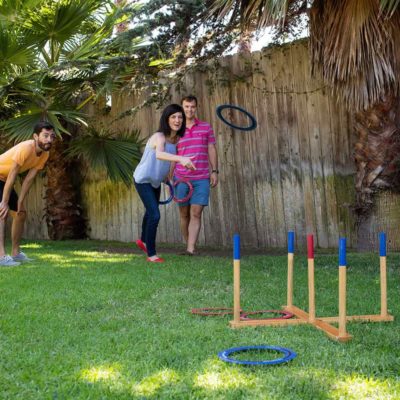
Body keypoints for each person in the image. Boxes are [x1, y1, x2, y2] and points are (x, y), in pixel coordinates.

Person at [133, 104, 195, 263]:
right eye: (173, 117)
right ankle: (151, 255)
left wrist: (169, 177)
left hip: (156, 180)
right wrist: (182, 159)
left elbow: (169, 161)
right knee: (154, 214)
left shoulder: (176, 140)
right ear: (166, 119)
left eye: (180, 117)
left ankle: (142, 240)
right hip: (143, 179)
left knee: (150, 211)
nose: (177, 120)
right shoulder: (159, 137)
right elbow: (160, 154)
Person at [0, 121, 56, 266]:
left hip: (3, 179)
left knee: (20, 213)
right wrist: (4, 202)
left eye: (52, 136)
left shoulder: (44, 154)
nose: (49, 139)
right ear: (35, 136)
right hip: (3, 177)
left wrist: (20, 202)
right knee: (2, 212)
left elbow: (28, 180)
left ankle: (16, 253)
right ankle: (1, 257)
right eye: (45, 136)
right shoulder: (26, 148)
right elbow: (13, 175)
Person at [174, 95, 219, 255]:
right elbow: (173, 153)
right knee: (184, 214)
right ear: (182, 108)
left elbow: (211, 149)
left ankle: (191, 249)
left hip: (201, 177)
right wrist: (169, 175)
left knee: (196, 212)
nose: (189, 109)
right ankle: (189, 245)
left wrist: (214, 171)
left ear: (196, 107)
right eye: (186, 106)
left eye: (192, 106)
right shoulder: (176, 129)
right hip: (180, 177)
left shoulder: (206, 127)